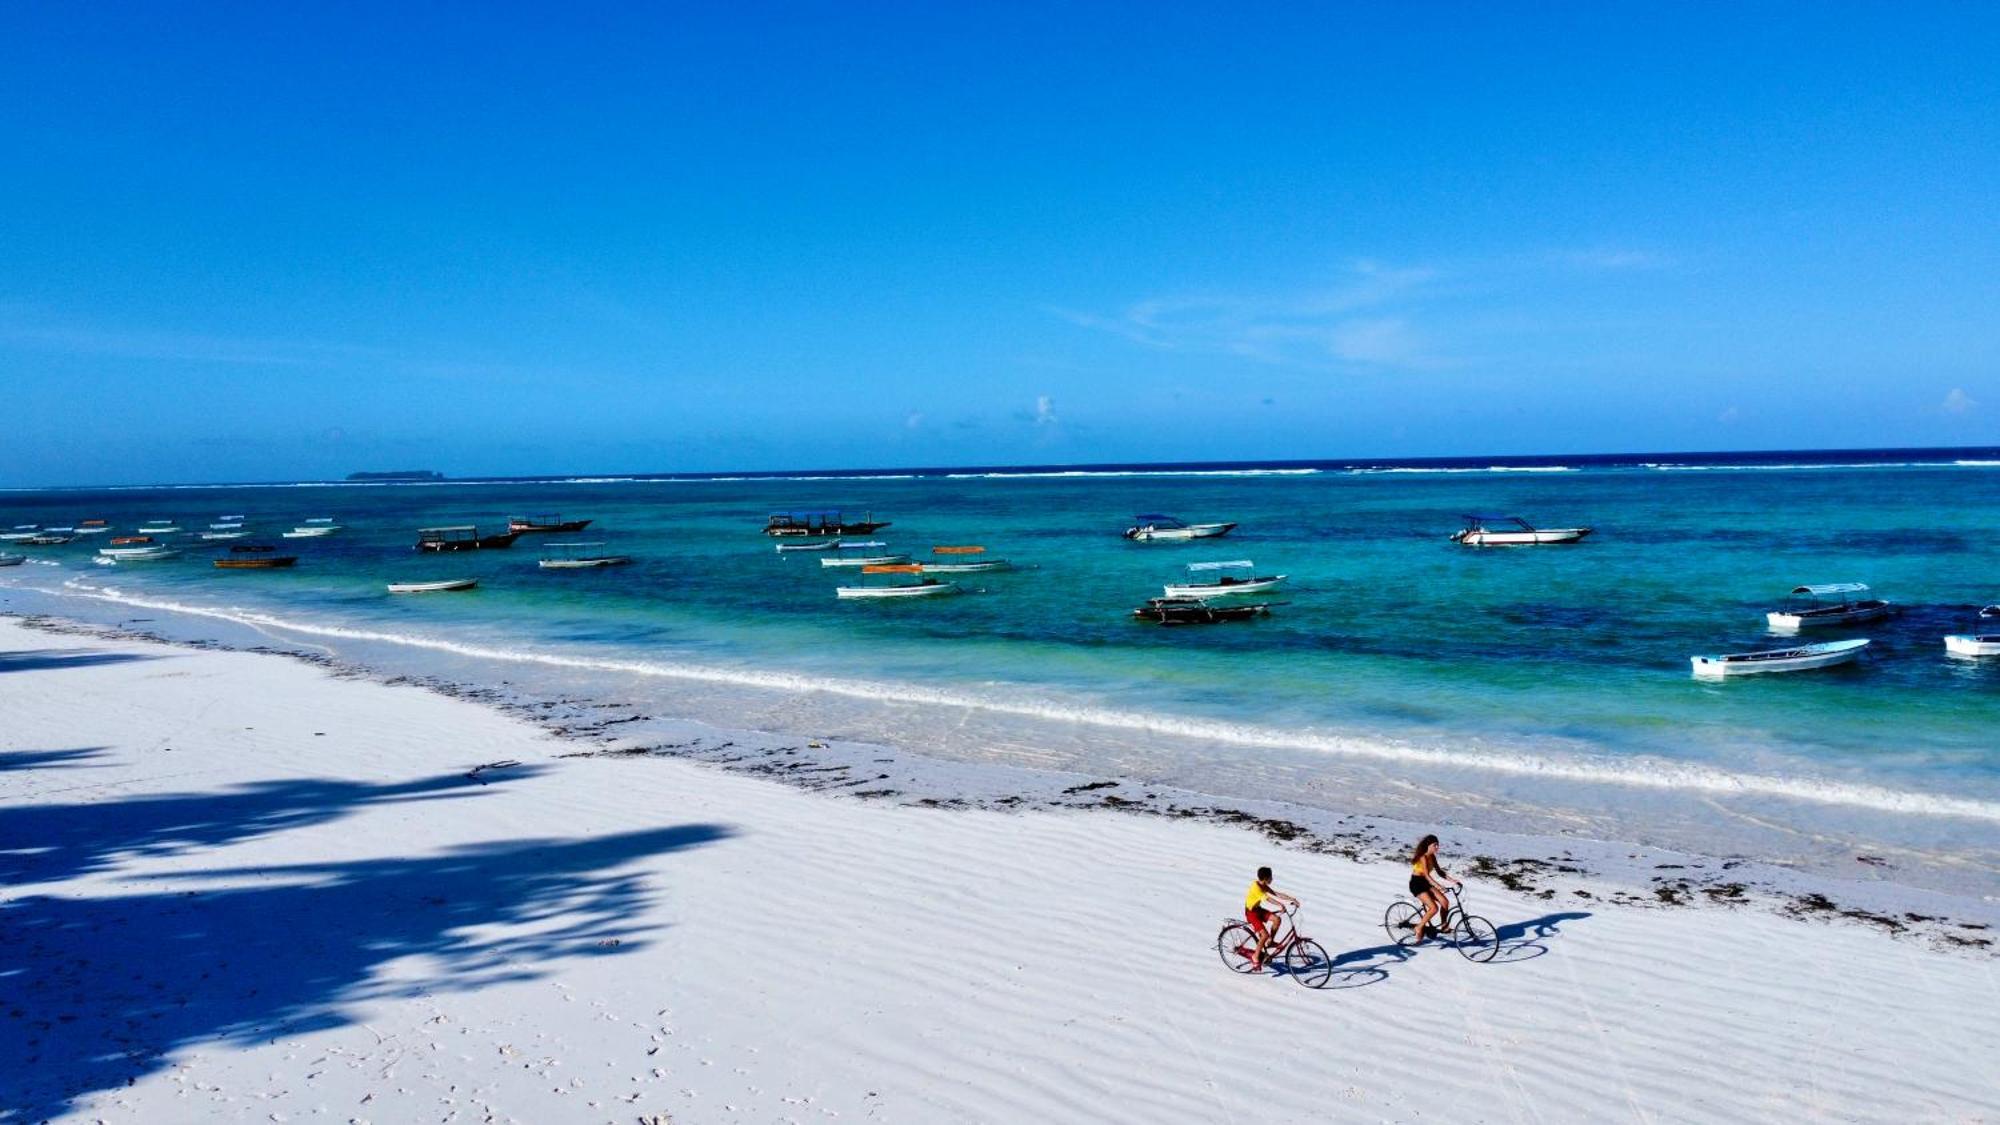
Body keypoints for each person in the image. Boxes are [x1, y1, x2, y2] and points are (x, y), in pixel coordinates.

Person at [1243, 865, 1299, 970]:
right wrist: (1280, 905)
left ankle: (1271, 941)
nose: (1272, 879)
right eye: (1270, 877)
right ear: (1265, 878)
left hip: (1258, 910)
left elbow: (1276, 894)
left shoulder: (1263, 885)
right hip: (1251, 913)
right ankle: (1255, 957)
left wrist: (1292, 899)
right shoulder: (1256, 887)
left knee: (1277, 919)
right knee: (1264, 935)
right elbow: (1267, 899)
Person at [1408, 834, 1462, 943]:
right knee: (1434, 908)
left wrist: (1453, 881)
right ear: (1428, 845)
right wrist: (1439, 886)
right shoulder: (1423, 857)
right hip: (1417, 883)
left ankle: (1443, 925)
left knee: (1445, 902)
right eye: (1435, 845)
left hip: (1426, 883)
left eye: (1438, 845)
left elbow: (1440, 872)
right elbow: (1427, 875)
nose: (1437, 847)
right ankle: (1419, 927)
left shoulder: (1432, 856)